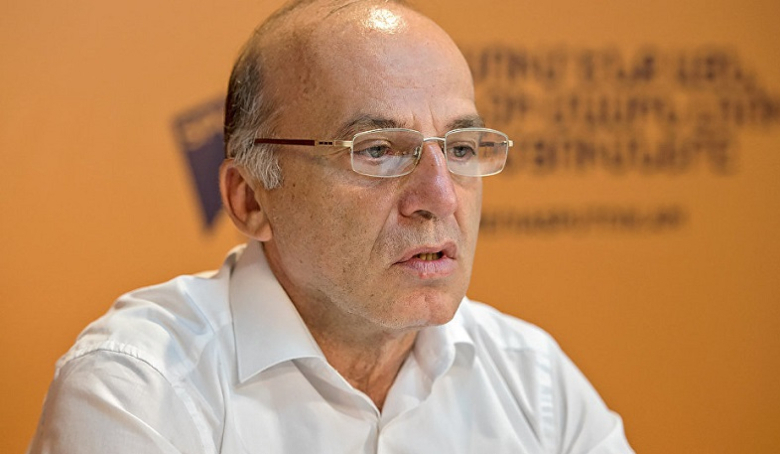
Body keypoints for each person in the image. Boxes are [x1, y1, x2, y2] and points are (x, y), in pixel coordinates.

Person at [29, 0, 634, 452]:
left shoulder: (533, 380)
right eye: (377, 150)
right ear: (250, 199)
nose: (440, 196)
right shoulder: (138, 390)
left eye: (459, 147)